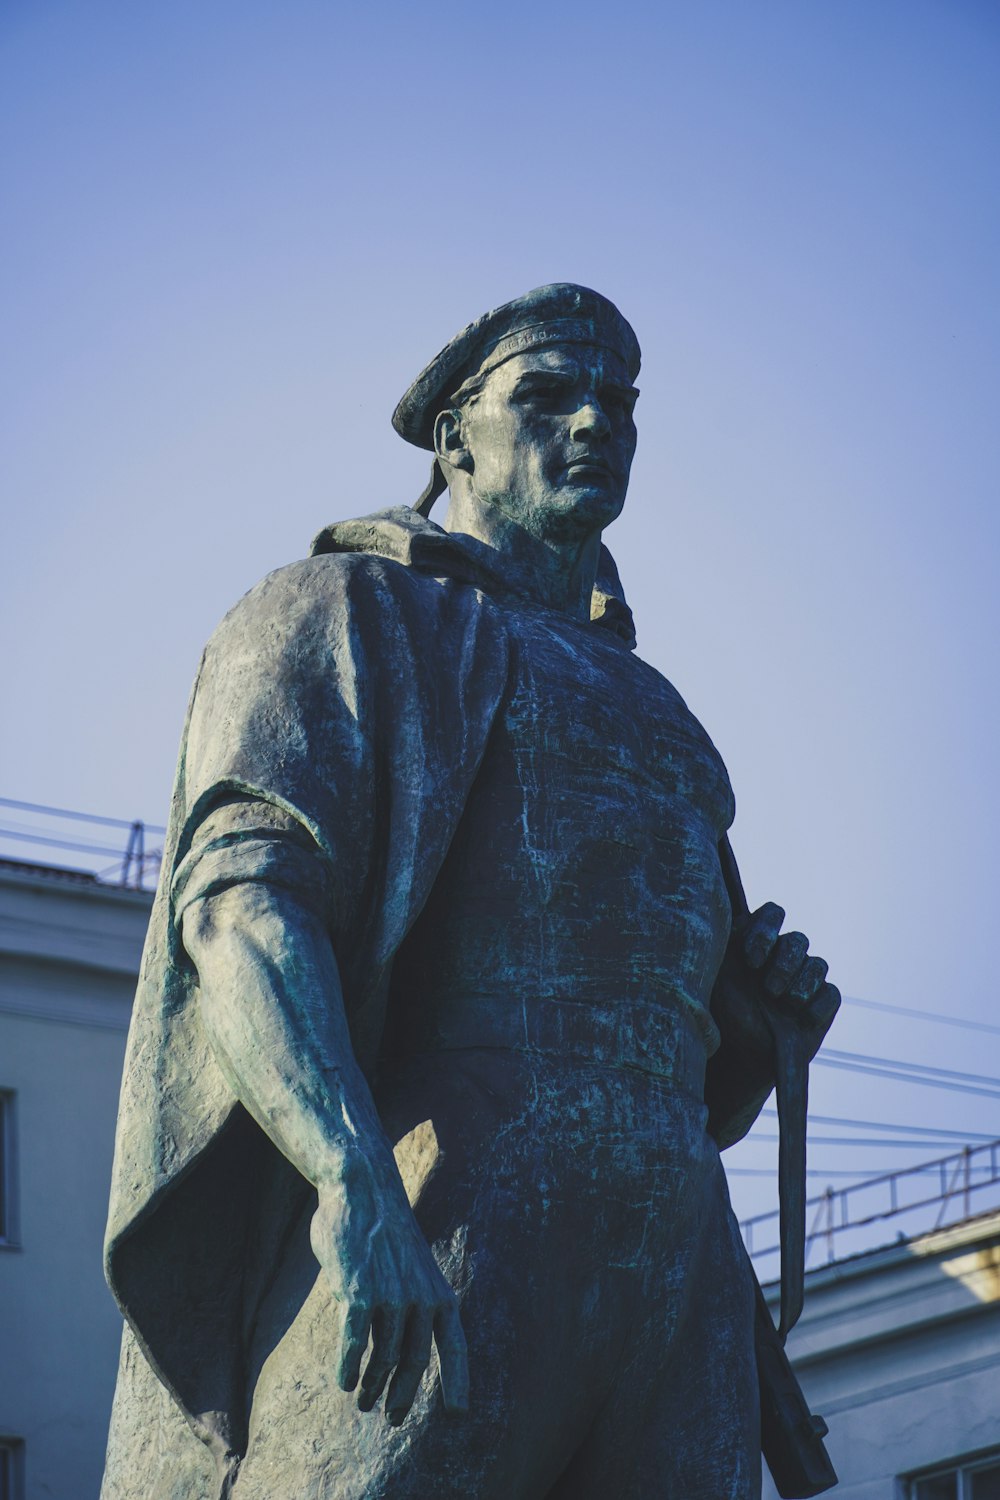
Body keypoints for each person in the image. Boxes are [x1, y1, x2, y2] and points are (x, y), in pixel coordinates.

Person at [101, 284, 839, 1500]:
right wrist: (351, 1181)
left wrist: (754, 1040)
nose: (595, 421)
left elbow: (686, 1063)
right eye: (548, 394)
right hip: (450, 1201)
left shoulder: (659, 710)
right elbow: (240, 904)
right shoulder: (344, 608)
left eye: (618, 401)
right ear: (455, 441)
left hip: (674, 1259)